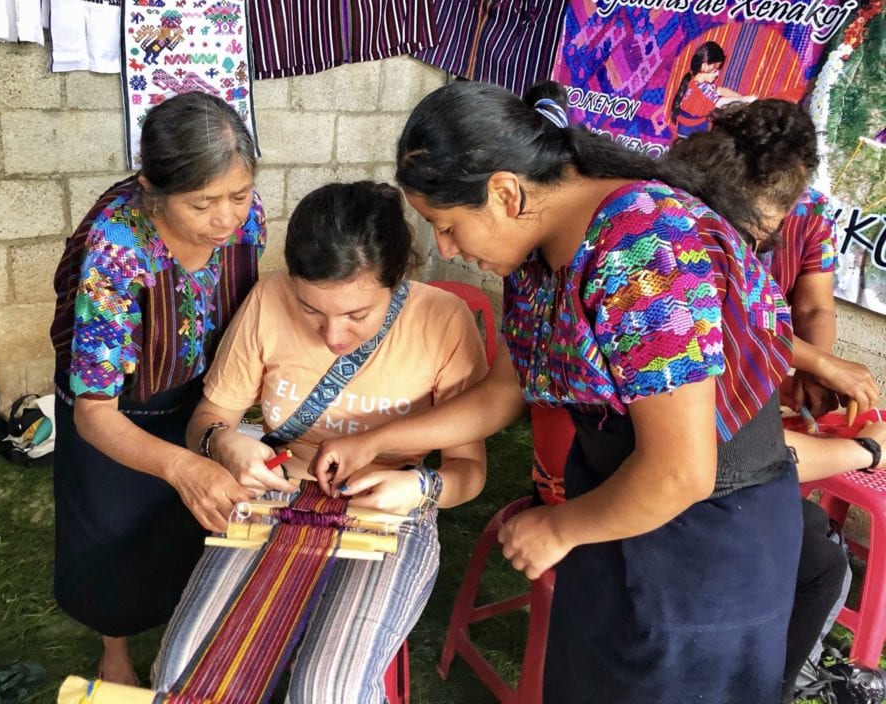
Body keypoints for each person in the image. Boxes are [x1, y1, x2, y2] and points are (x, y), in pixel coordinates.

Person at [312, 79, 807, 703]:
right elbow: (501, 394)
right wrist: (375, 442)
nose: (446, 250)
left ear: (505, 193)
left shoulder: (644, 246)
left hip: (706, 542)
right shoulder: (536, 261)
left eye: (447, 227)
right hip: (612, 502)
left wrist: (561, 529)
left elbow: (682, 470)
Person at [152, 181, 488, 702]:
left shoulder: (443, 320)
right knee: (183, 675)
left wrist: (420, 487)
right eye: (311, 310)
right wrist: (222, 442)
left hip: (390, 507)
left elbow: (469, 469)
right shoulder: (268, 299)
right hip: (276, 493)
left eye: (357, 316)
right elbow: (210, 416)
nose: (332, 337)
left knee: (331, 691)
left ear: (398, 280)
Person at [665, 98, 883, 702]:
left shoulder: (789, 213)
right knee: (816, 562)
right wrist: (865, 449)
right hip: (679, 479)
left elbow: (807, 309)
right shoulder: (688, 231)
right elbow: (736, 456)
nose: (768, 235)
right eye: (764, 224)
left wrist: (810, 364)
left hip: (686, 457)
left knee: (798, 538)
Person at [49, 92, 265, 684]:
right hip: (117, 411)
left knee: (184, 523)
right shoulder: (117, 254)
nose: (226, 218)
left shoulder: (248, 218)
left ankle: (183, 625)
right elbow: (97, 414)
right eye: (203, 204)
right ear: (152, 188)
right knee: (111, 529)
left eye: (239, 195)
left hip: (199, 393)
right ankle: (114, 648)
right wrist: (180, 465)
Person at [670, 41, 755, 138]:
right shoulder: (702, 88)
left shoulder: (694, 80)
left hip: (692, 126)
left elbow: (720, 90)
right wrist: (746, 99)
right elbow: (720, 102)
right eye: (715, 70)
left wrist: (741, 98)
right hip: (691, 131)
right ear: (704, 65)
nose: (717, 74)